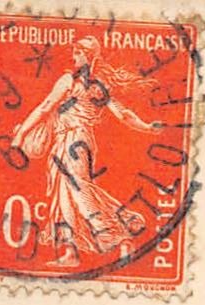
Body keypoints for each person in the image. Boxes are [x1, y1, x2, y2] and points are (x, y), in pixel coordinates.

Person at [9, 37, 158, 267]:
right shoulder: (99, 86)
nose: (73, 58)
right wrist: (146, 126)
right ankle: (70, 252)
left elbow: (46, 106)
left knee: (78, 191)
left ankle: (118, 236)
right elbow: (124, 114)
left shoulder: (68, 80)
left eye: (77, 53)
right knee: (64, 194)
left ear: (87, 55)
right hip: (79, 141)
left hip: (71, 140)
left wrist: (20, 137)